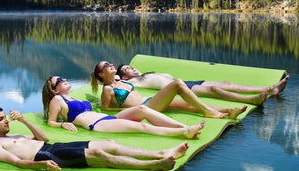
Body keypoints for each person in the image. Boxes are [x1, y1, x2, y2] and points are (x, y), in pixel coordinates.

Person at [0, 105, 190, 171]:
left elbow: (43, 137)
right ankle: (153, 165)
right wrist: (42, 164)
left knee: (110, 144)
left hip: (53, 146)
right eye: (1, 120)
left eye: (6, 118)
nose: (6, 122)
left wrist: (25, 121)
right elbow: (17, 163)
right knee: (99, 154)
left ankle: (161, 152)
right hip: (45, 155)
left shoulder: (14, 134)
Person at [42, 76, 206, 139]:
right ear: (55, 89)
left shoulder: (73, 97)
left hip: (106, 119)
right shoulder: (57, 99)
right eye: (59, 80)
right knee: (141, 126)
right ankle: (183, 132)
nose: (64, 79)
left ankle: (184, 127)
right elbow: (51, 122)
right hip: (97, 125)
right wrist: (62, 124)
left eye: (63, 78)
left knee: (142, 110)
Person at [92, 61, 249, 119]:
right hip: (145, 108)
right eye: (106, 66)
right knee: (177, 84)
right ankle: (209, 112)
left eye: (110, 63)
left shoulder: (119, 80)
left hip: (149, 102)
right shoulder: (107, 89)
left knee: (188, 105)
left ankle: (229, 111)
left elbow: (123, 78)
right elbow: (106, 108)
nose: (110, 65)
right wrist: (129, 110)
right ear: (101, 74)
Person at [116, 63, 289, 104]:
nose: (131, 68)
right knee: (213, 89)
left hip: (186, 82)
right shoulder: (133, 83)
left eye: (130, 66)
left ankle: (269, 88)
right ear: (124, 77)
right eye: (127, 69)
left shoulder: (146, 74)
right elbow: (113, 82)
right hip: (179, 88)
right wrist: (117, 77)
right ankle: (251, 100)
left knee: (225, 83)